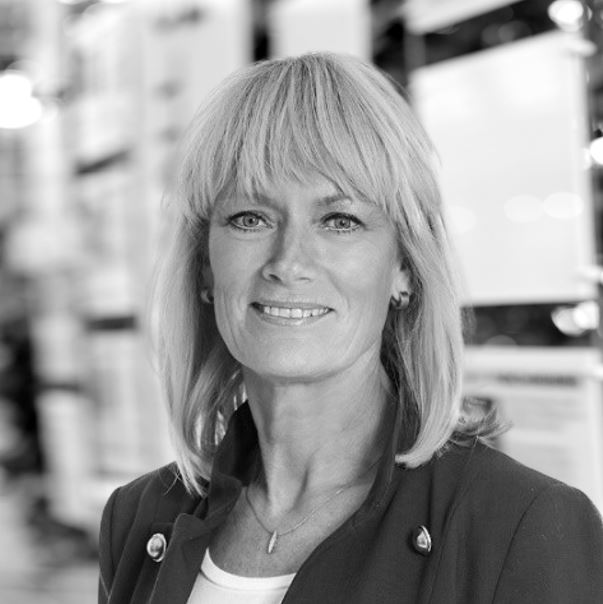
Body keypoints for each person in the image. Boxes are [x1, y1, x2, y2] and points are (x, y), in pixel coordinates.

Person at [98, 52, 603, 604]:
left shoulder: (521, 526)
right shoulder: (138, 517)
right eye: (250, 218)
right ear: (204, 266)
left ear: (404, 268)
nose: (289, 263)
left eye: (340, 221)